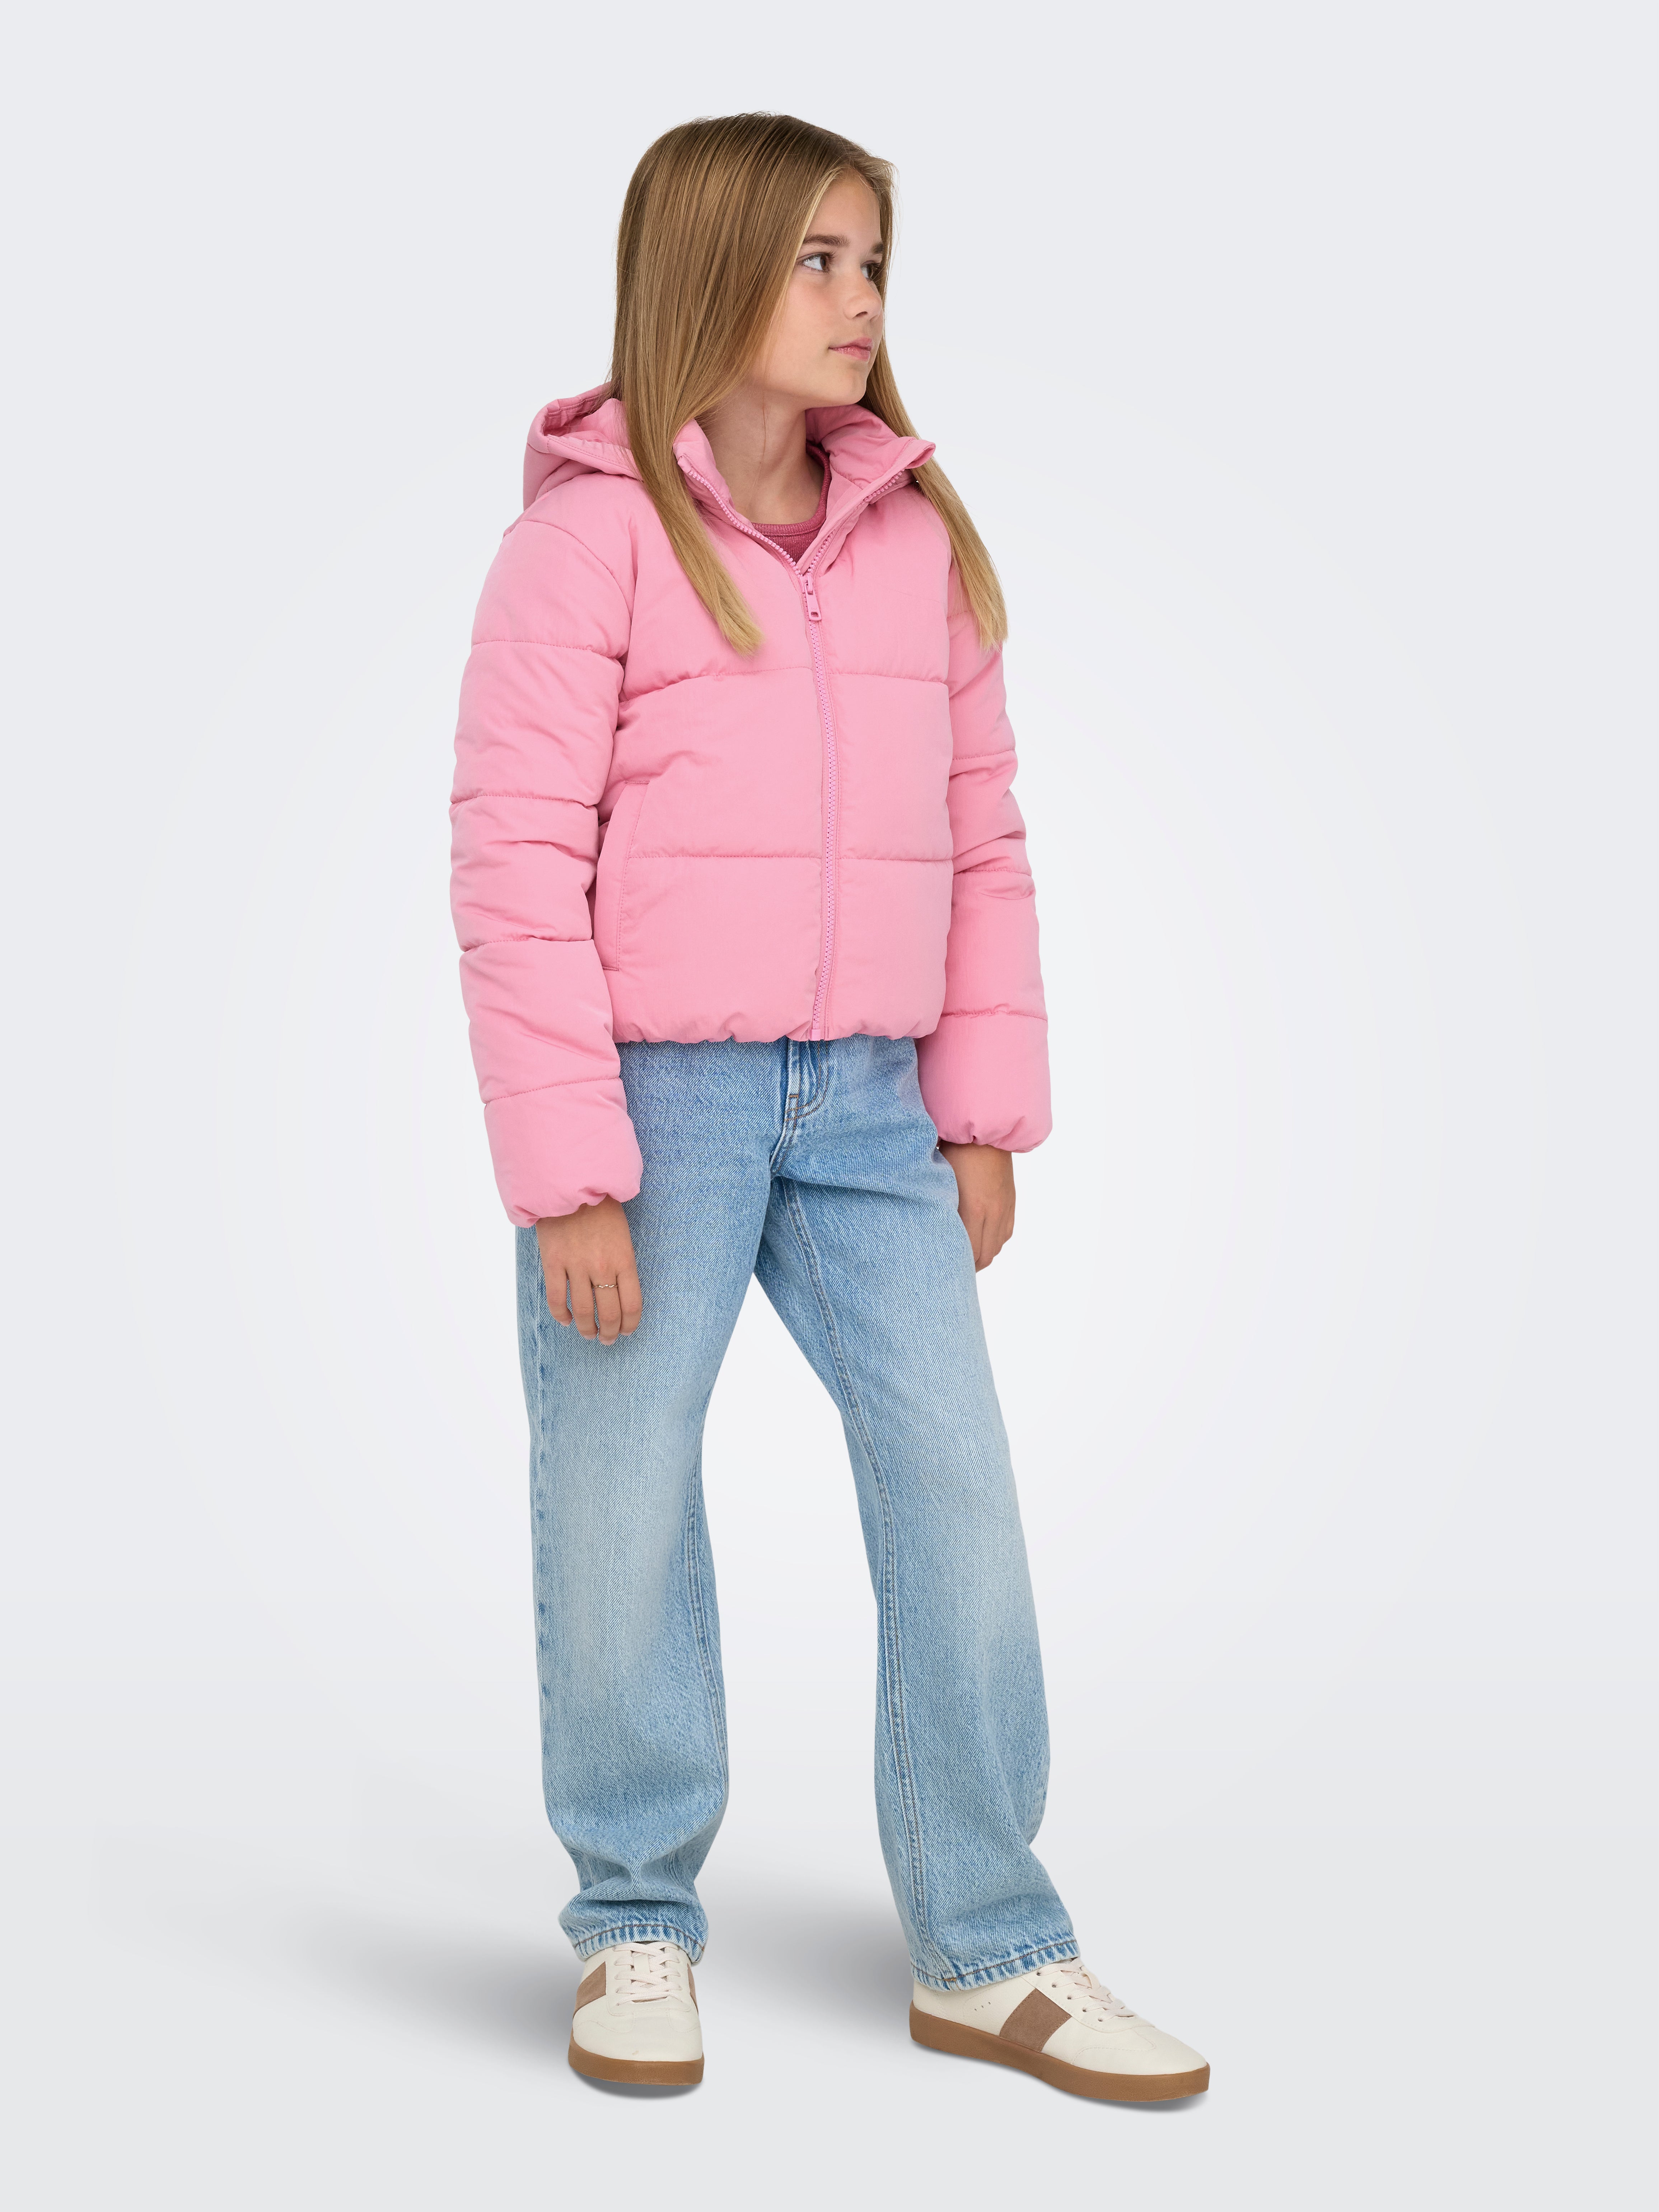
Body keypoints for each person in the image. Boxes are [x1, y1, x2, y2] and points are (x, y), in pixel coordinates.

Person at [449, 111, 1208, 2102]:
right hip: (653, 1108)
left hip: (872, 1108)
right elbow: (514, 863)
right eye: (816, 260)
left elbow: (985, 832)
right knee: (621, 1506)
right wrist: (569, 1169)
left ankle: (991, 1943)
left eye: (873, 261)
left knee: (958, 1490)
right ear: (706, 271)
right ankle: (632, 1913)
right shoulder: (586, 542)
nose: (859, 297)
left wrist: (982, 1108)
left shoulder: (916, 540)